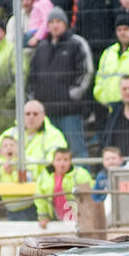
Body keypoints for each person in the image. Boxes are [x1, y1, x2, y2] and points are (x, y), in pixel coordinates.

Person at [27, 8, 92, 156]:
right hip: (46, 112)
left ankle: (82, 178)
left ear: (66, 24)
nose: (55, 25)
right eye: (51, 22)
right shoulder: (42, 47)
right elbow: (32, 76)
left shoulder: (76, 43)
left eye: (59, 21)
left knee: (75, 150)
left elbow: (86, 72)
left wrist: (71, 95)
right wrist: (34, 99)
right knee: (50, 152)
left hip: (69, 111)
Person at [34, 145, 92, 228]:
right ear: (53, 162)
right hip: (54, 219)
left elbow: (87, 198)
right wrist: (43, 217)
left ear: (70, 162)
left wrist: (84, 217)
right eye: (59, 160)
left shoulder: (81, 174)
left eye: (65, 160)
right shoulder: (44, 176)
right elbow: (40, 199)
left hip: (78, 220)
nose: (62, 163)